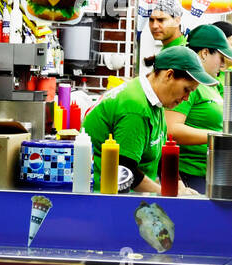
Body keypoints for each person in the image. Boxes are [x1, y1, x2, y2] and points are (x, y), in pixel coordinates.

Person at [81, 45, 215, 195]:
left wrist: (179, 186)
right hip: (106, 199)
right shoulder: (136, 108)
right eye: (186, 89)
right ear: (169, 75)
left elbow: (160, 154)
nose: (186, 98)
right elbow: (125, 171)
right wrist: (167, 193)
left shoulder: (154, 101)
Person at [164, 24, 232, 189]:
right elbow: (171, 129)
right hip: (190, 174)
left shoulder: (212, 85)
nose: (223, 65)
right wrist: (218, 137)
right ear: (204, 53)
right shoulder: (190, 85)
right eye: (221, 58)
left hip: (211, 172)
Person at [143, 0, 185, 66]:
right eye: (151, 20)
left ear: (177, 21)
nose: (154, 26)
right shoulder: (169, 49)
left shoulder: (182, 53)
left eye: (161, 20)